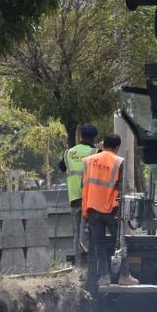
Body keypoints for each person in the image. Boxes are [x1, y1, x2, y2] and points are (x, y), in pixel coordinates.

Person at [81, 134, 125, 295]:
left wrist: (85, 209)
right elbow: (122, 188)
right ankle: (124, 275)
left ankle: (104, 276)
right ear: (117, 147)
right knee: (119, 244)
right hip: (110, 209)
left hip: (92, 208)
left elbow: (84, 185)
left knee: (98, 245)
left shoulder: (88, 161)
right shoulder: (118, 162)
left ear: (104, 144)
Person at [57, 123, 98, 265]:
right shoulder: (94, 152)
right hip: (90, 198)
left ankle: (78, 264)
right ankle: (90, 263)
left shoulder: (68, 152)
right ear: (94, 138)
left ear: (80, 136)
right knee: (90, 231)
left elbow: (61, 167)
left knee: (77, 231)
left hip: (74, 197)